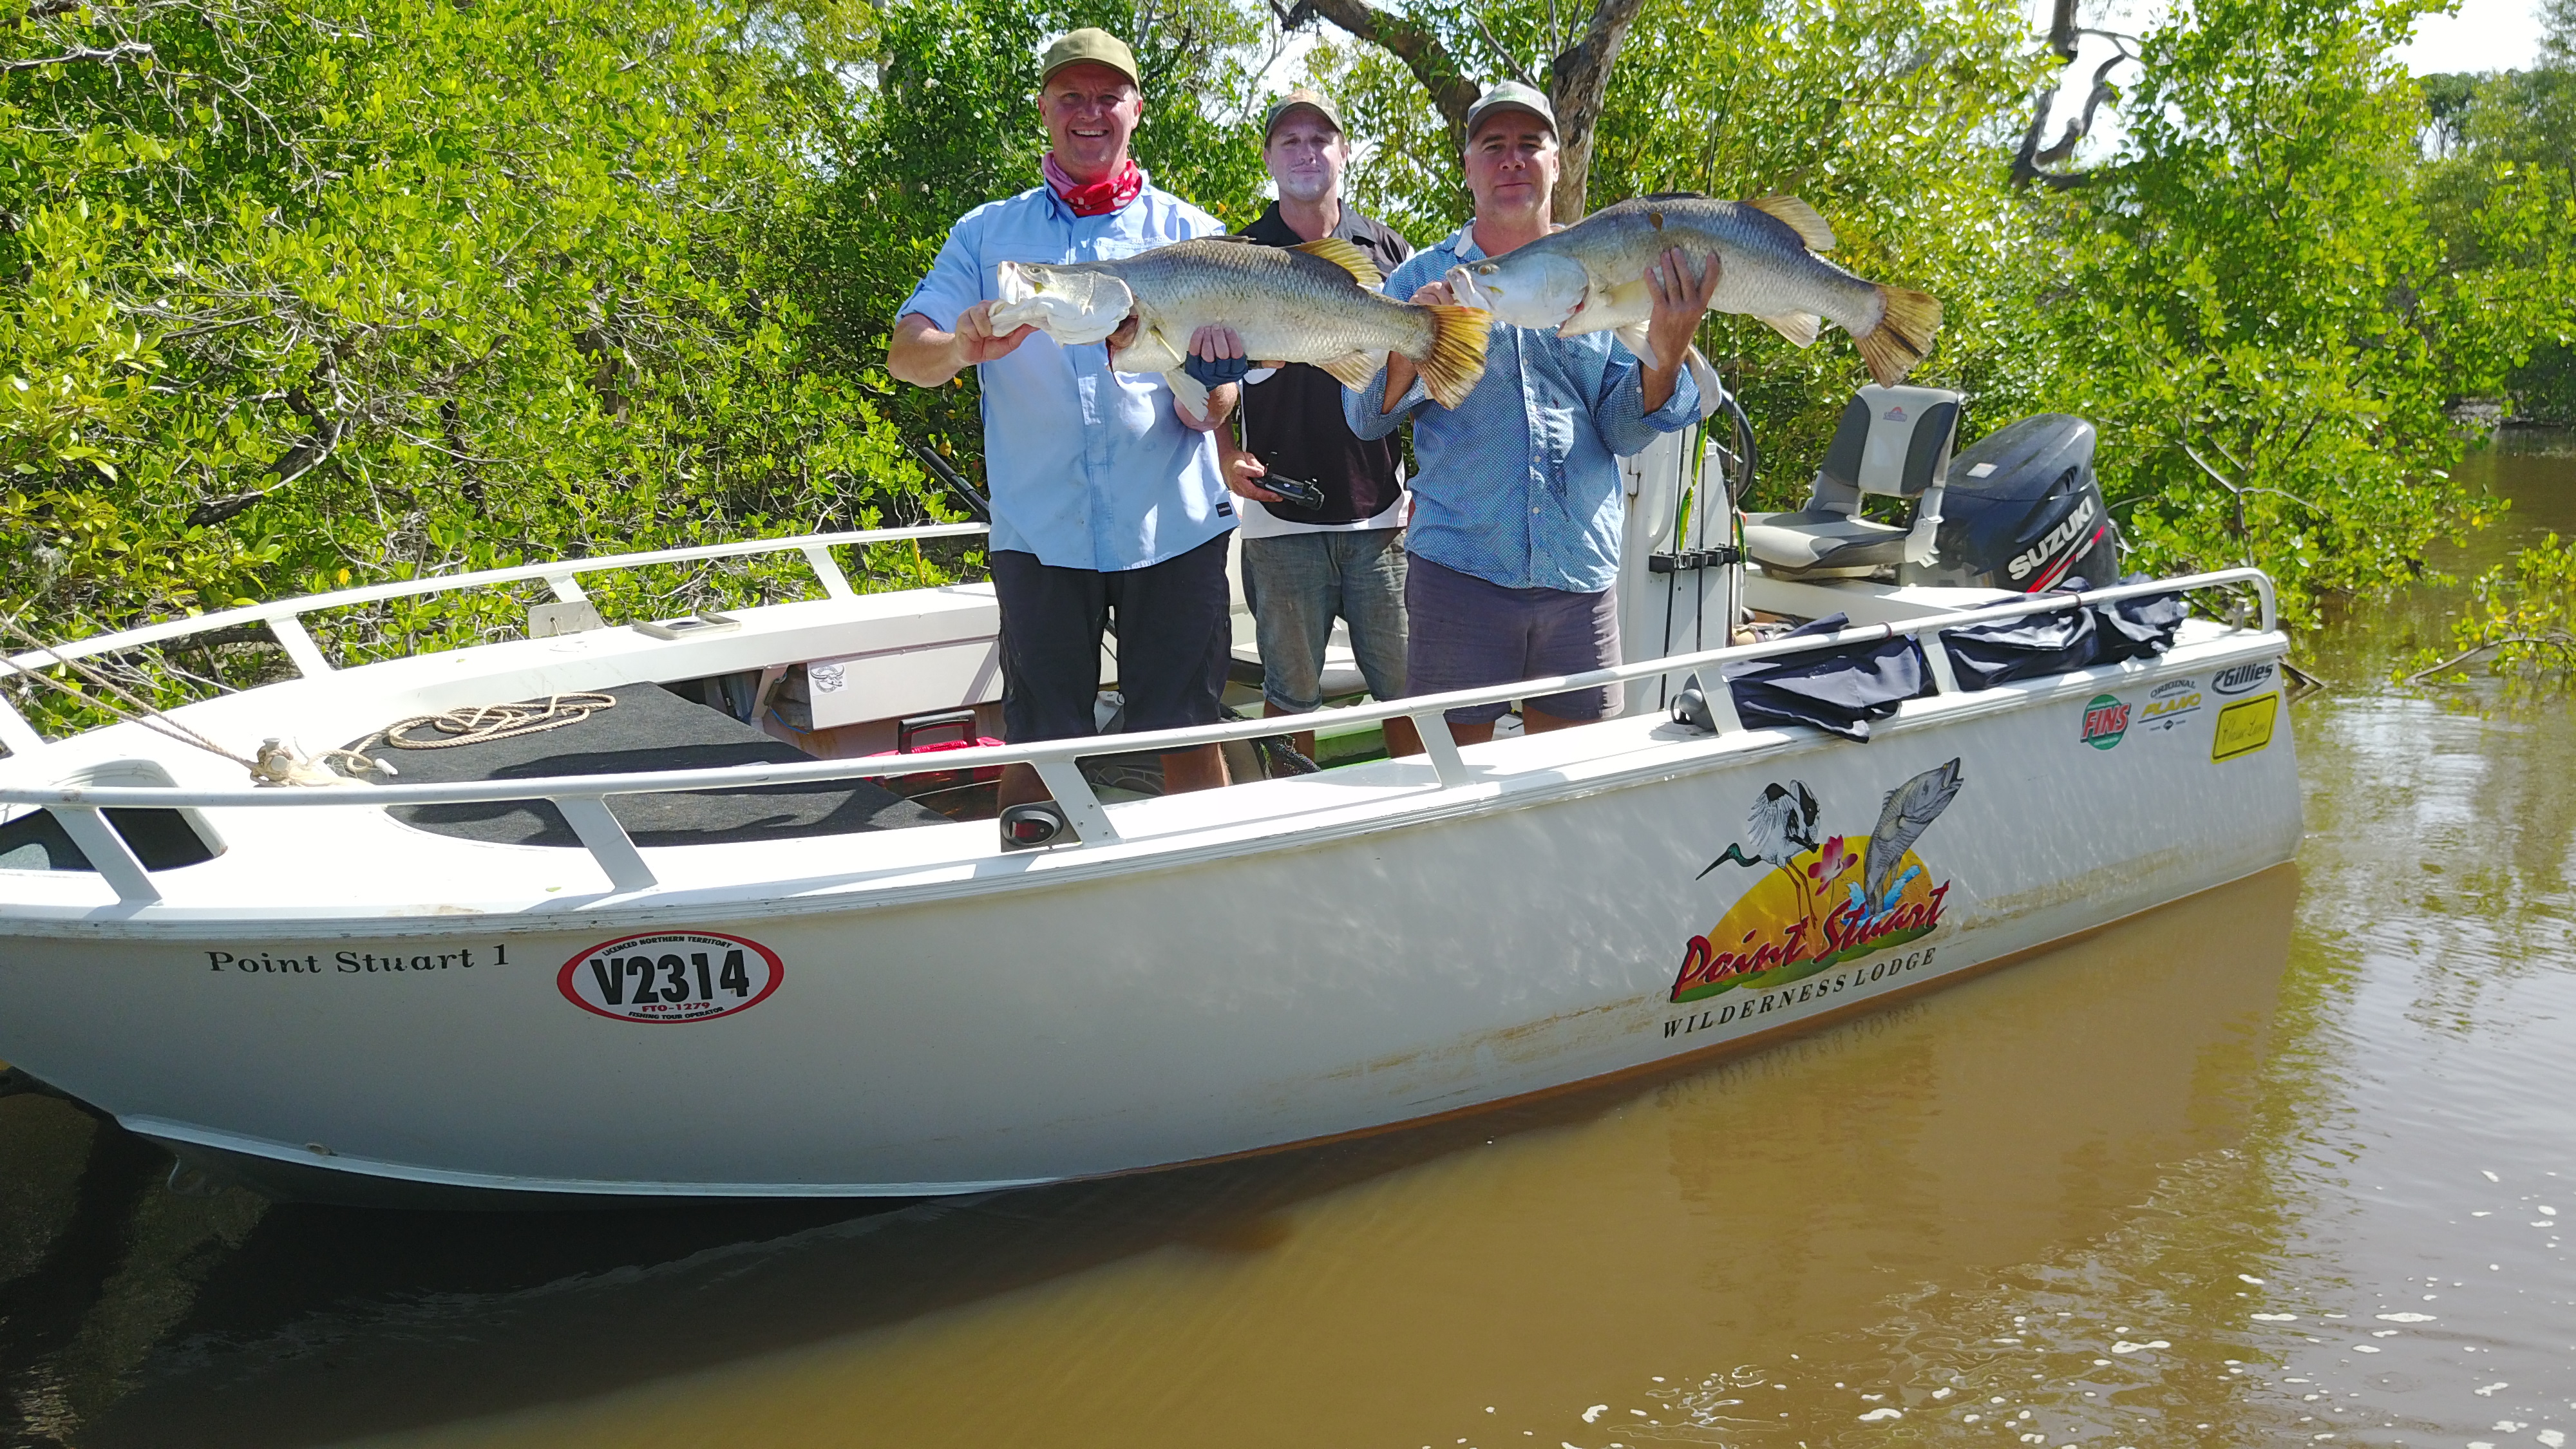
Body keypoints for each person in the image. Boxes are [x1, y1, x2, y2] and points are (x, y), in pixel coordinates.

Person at [888, 28, 1245, 842]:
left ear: (1136, 110)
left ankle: (1215, 887)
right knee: (1041, 734)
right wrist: (962, 345)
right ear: (1045, 109)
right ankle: (1030, 878)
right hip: (1039, 531)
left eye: (1107, 96)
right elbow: (908, 355)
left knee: (1189, 731)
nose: (1091, 113)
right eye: (1072, 97)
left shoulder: (1195, 232)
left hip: (1175, 529)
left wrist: (1211, 392)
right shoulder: (985, 236)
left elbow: (1219, 402)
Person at [1347, 80, 1720, 745]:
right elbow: (1362, 417)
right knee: (1434, 785)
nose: (1511, 160)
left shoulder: (1613, 267)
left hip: (1577, 575)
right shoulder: (1415, 280)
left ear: (1557, 162)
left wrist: (1664, 359)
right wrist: (1417, 340)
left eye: (1529, 144)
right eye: (1493, 146)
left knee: (1569, 788)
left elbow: (1618, 430)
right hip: (1458, 572)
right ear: (1467, 167)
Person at [1218, 88, 1423, 761]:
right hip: (1280, 525)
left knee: (1408, 694)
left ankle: (1419, 834)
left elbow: (1437, 376)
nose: (1307, 153)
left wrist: (1430, 483)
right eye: (1290, 141)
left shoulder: (1392, 251)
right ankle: (1291, 835)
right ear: (1269, 158)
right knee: (1289, 698)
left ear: (1343, 151)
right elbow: (1193, 378)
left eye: (1320, 139)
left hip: (1381, 522)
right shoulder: (1238, 254)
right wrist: (1225, 453)